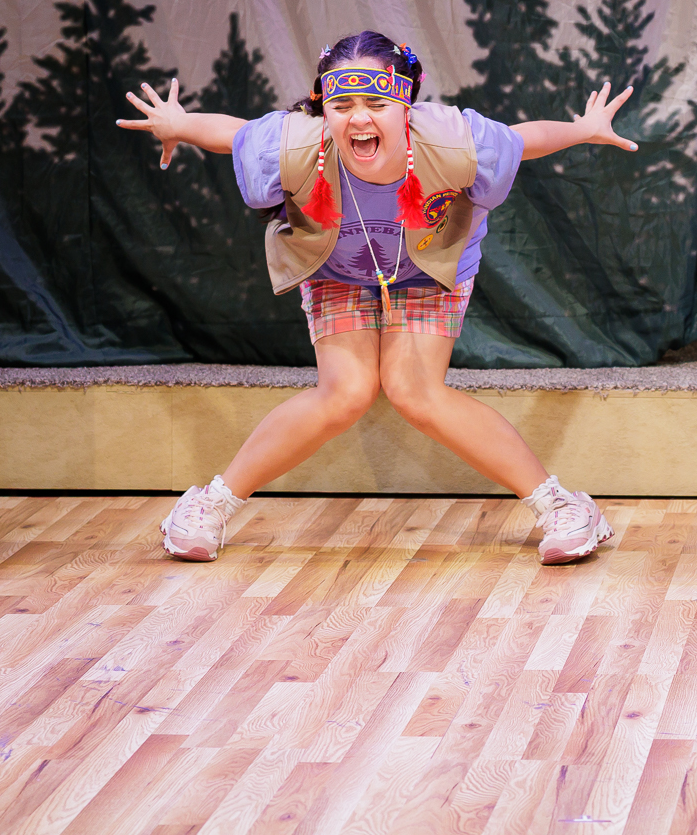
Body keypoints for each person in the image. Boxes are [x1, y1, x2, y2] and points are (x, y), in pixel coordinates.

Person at [116, 30, 637, 565]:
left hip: (429, 262)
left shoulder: (453, 139)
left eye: (376, 103)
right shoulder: (298, 142)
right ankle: (210, 505)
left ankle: (563, 508)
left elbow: (520, 140)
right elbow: (237, 134)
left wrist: (581, 130)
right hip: (336, 266)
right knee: (345, 392)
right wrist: (180, 124)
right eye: (342, 104)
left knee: (414, 391)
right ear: (325, 108)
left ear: (404, 105)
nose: (358, 118)